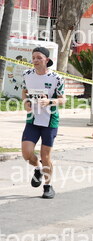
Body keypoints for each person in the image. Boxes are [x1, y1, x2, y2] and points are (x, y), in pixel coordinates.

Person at [21, 47, 66, 199]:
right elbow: (24, 92)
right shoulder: (27, 74)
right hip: (32, 120)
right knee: (27, 154)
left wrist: (49, 101)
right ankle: (38, 168)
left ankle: (48, 186)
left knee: (45, 156)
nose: (35, 60)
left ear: (47, 60)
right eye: (33, 57)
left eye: (39, 58)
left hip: (50, 121)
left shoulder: (56, 78)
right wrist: (26, 103)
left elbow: (63, 99)